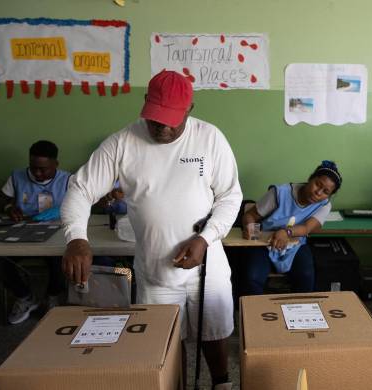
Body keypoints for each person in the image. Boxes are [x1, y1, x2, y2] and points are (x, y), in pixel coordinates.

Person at [60, 70, 242, 390]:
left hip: (207, 262)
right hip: (156, 269)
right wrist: (76, 238)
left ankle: (222, 383)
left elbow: (231, 195)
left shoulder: (210, 138)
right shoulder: (122, 143)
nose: (163, 127)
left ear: (190, 108)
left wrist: (206, 238)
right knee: (165, 342)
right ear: (145, 103)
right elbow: (80, 189)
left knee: (215, 329)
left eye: (173, 119)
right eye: (156, 118)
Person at [0, 140, 71, 324]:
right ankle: (25, 297)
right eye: (33, 167)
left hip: (56, 234)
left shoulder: (68, 180)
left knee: (61, 259)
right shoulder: (17, 177)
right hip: (23, 234)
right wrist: (8, 207)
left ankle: (52, 297)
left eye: (43, 169)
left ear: (56, 164)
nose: (37, 173)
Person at [239, 161, 342, 296]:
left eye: (325, 192)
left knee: (306, 276)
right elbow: (250, 215)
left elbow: (306, 228)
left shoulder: (324, 205)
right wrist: (251, 230)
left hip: (295, 244)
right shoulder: (280, 193)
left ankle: (297, 312)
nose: (318, 192)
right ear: (310, 179)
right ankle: (255, 313)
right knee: (252, 277)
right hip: (265, 242)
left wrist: (286, 232)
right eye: (318, 184)